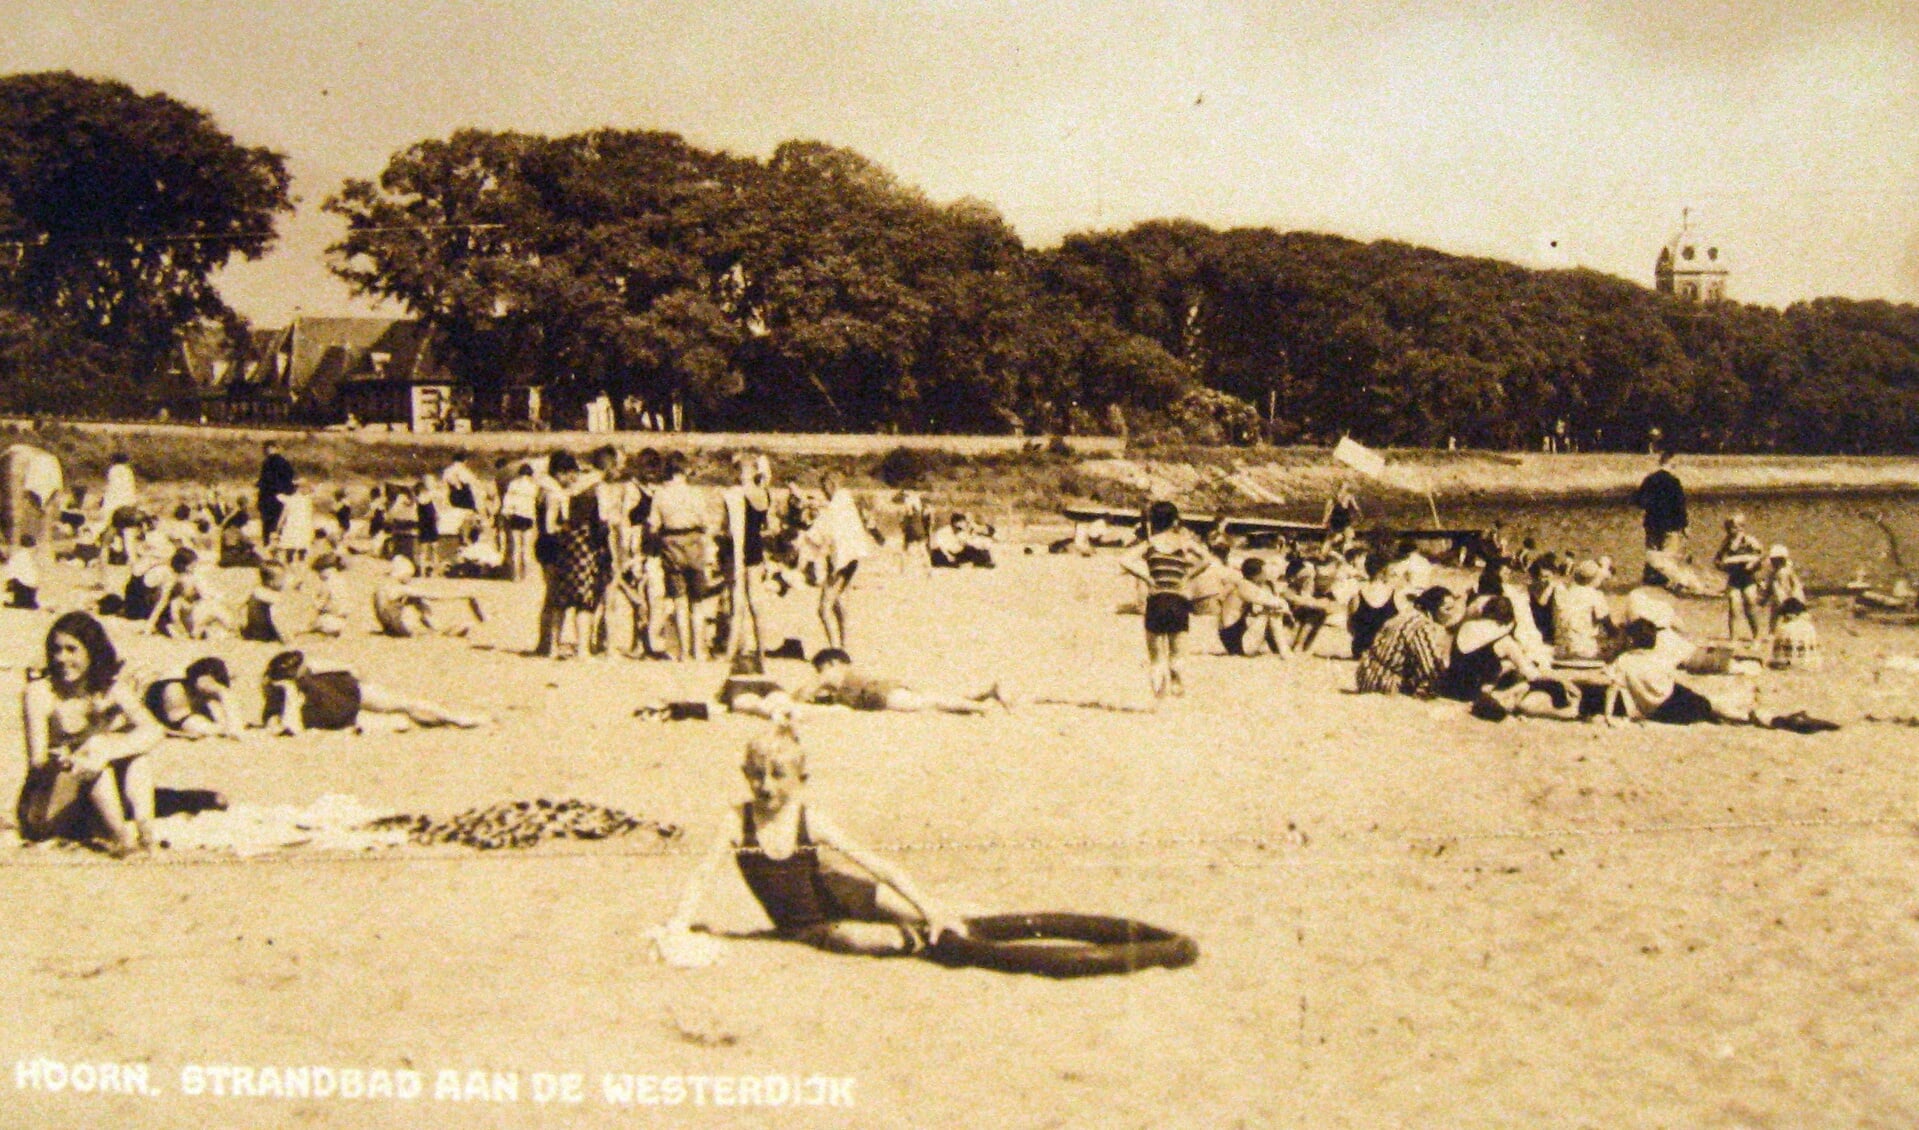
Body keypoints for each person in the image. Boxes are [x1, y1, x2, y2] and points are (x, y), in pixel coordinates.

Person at [660, 719, 964, 955]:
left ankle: (990, 930)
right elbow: (703, 874)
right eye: (756, 774)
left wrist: (930, 909)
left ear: (800, 780)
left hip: (846, 893)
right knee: (878, 940)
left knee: (948, 915)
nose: (765, 786)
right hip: (812, 925)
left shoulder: (810, 819)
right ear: (744, 773)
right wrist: (679, 923)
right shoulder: (738, 821)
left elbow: (875, 864)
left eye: (778, 775)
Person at [18, 612, 163, 855]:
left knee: (136, 757)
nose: (61, 658)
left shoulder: (109, 688)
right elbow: (37, 762)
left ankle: (146, 832)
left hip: (93, 799)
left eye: (71, 649)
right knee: (93, 763)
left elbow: (154, 730)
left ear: (92, 651)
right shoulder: (40, 692)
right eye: (56, 650)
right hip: (47, 802)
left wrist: (105, 747)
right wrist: (73, 757)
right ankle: (123, 841)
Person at [261, 650, 488, 734]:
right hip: (340, 716)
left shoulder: (309, 669)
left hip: (347, 692)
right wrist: (289, 694)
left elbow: (348, 668)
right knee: (402, 721)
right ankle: (452, 721)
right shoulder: (281, 694)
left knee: (407, 704)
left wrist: (350, 671)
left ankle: (457, 718)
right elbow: (290, 728)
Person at [1118, 500, 1210, 700]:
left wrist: (1147, 577)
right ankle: (1176, 672)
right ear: (1176, 521)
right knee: (1177, 652)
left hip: (1156, 599)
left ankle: (1159, 699)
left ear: (1153, 521)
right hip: (1178, 600)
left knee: (1156, 657)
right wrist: (1187, 576)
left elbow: (1124, 560)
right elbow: (1207, 559)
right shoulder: (1184, 542)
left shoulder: (1150, 543)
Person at [735, 648, 1005, 716]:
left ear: (832, 665)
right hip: (882, 691)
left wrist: (815, 685)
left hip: (879, 694)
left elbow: (803, 694)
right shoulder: (845, 680)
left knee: (927, 703)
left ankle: (978, 706)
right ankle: (983, 694)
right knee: (931, 697)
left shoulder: (840, 677)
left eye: (822, 670)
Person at [798, 472, 876, 654]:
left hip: (841, 561)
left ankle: (836, 650)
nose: (824, 492)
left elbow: (821, 531)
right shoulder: (845, 501)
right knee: (839, 602)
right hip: (852, 559)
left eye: (825, 488)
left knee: (824, 608)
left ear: (830, 485)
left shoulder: (836, 506)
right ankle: (844, 646)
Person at [647, 453, 711, 661]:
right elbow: (705, 521)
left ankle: (684, 652)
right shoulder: (695, 493)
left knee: (680, 601)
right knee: (698, 601)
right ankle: (699, 650)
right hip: (693, 543)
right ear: (684, 471)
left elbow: (654, 524)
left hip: (671, 544)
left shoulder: (660, 495)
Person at [1435, 596, 1545, 703]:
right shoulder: (1504, 640)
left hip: (1452, 686)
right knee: (1519, 677)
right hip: (1471, 693)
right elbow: (1531, 674)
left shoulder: (1467, 625)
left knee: (1504, 664)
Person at [1355, 585, 1459, 697]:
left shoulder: (1406, 614)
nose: (1451, 614)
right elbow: (1431, 668)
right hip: (1383, 681)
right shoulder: (1421, 625)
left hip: (1366, 673)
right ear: (1432, 609)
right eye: (1447, 609)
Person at [723, 454, 774, 661]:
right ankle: (760, 650)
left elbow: (726, 528)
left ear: (752, 472)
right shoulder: (763, 494)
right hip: (755, 549)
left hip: (739, 549)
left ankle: (731, 651)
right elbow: (769, 526)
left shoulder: (734, 494)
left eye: (742, 470)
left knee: (738, 603)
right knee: (754, 602)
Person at [372, 554, 477, 638]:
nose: (410, 579)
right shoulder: (399, 588)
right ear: (402, 573)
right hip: (398, 628)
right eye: (409, 575)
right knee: (418, 599)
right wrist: (462, 595)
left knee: (415, 600)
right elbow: (432, 596)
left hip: (387, 626)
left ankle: (434, 628)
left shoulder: (384, 585)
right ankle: (437, 631)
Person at [145, 657, 242, 740]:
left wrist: (223, 694)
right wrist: (222, 728)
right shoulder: (174, 689)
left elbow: (235, 726)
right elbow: (181, 721)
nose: (208, 685)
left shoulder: (209, 694)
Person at [1217, 557, 1291, 657]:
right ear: (1256, 576)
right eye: (1264, 572)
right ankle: (1284, 650)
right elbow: (1277, 603)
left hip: (1230, 634)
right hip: (1235, 637)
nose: (1267, 575)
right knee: (1272, 611)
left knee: (1266, 610)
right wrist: (1287, 610)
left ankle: (1281, 649)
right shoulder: (1245, 586)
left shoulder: (1241, 583)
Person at [1633, 449, 1688, 584]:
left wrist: (1652, 507)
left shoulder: (1649, 480)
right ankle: (1667, 582)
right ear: (1672, 463)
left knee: (1652, 554)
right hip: (1670, 525)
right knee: (1668, 556)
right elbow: (1680, 506)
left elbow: (1638, 501)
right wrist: (1685, 526)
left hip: (1652, 523)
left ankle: (1650, 581)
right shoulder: (1674, 481)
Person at [1713, 514, 1765, 641]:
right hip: (1734, 578)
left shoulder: (1749, 540)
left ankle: (1757, 635)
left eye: (1735, 528)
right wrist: (1722, 566)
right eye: (1729, 528)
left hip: (1749, 577)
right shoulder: (1726, 542)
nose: (1732, 531)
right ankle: (1734, 638)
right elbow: (1717, 559)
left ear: (1742, 528)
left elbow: (1762, 554)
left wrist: (1753, 563)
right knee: (1734, 605)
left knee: (1750, 603)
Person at [1551, 560, 1612, 662]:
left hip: (1567, 645)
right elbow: (1607, 624)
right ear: (1594, 578)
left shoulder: (1569, 592)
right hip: (1586, 647)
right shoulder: (1595, 595)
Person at [499, 462, 540, 582]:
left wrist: (506, 514)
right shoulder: (533, 486)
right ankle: (525, 575)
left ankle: (516, 575)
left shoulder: (513, 484)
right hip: (528, 517)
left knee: (516, 547)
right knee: (526, 547)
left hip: (515, 516)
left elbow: (507, 501)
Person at [256, 441, 296, 550]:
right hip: (280, 498)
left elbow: (265, 481)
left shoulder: (268, 463)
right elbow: (289, 481)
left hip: (268, 498)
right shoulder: (285, 463)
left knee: (267, 525)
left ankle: (268, 545)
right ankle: (277, 546)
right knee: (279, 523)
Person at [1763, 544, 1806, 632]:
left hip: (1788, 597)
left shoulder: (1788, 571)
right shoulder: (1772, 573)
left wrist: (1796, 595)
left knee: (1790, 615)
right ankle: (1772, 632)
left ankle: (1790, 631)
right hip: (1777, 598)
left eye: (1777, 560)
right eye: (1773, 560)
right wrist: (1764, 598)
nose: (1774, 562)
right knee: (1774, 616)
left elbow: (1796, 584)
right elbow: (1769, 587)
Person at [1768, 597, 1821, 670]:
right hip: (1812, 664)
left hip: (1788, 664)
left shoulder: (1783, 627)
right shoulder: (1810, 627)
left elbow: (1776, 654)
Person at [3, 536, 41, 609]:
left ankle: (20, 602)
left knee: (15, 579)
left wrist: (9, 583)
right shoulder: (32, 555)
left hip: (23, 585)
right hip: (32, 586)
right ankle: (28, 602)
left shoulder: (19, 555)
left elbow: (11, 570)